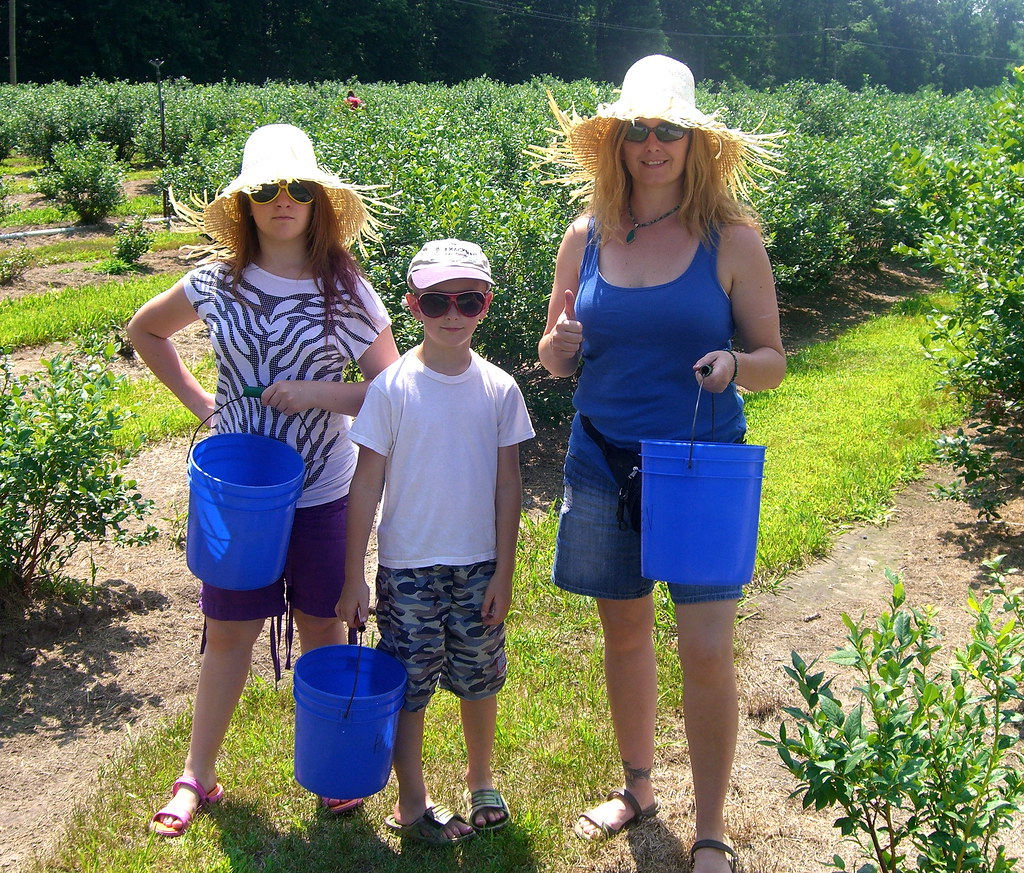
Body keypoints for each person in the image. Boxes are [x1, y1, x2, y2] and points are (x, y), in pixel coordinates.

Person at [535, 55, 786, 873]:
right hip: (601, 458)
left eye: (668, 130)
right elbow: (556, 355)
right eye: (637, 130)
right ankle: (639, 786)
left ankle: (710, 826)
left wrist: (732, 364)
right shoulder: (585, 236)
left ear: (694, 141)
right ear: (616, 141)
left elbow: (774, 358)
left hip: (699, 463)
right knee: (626, 631)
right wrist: (559, 348)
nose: (652, 144)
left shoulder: (732, 238)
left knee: (708, 648)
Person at [128, 123, 400, 837]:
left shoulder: (344, 289)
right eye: (266, 189)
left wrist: (317, 394)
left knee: (321, 622)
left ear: (318, 203)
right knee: (229, 630)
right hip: (242, 494)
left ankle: (331, 766)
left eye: (299, 189)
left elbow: (394, 389)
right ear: (244, 204)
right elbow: (145, 330)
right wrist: (203, 406)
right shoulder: (216, 281)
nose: (283, 200)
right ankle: (199, 774)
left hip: (320, 491)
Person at [337, 239, 535, 845]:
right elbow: (365, 484)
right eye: (437, 301)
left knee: (481, 676)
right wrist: (354, 576)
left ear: (486, 305)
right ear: (413, 305)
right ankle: (413, 799)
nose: (453, 313)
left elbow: (509, 484)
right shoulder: (391, 388)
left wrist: (504, 572)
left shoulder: (500, 389)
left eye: (467, 300)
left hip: (478, 565)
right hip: (409, 568)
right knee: (411, 682)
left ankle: (481, 780)